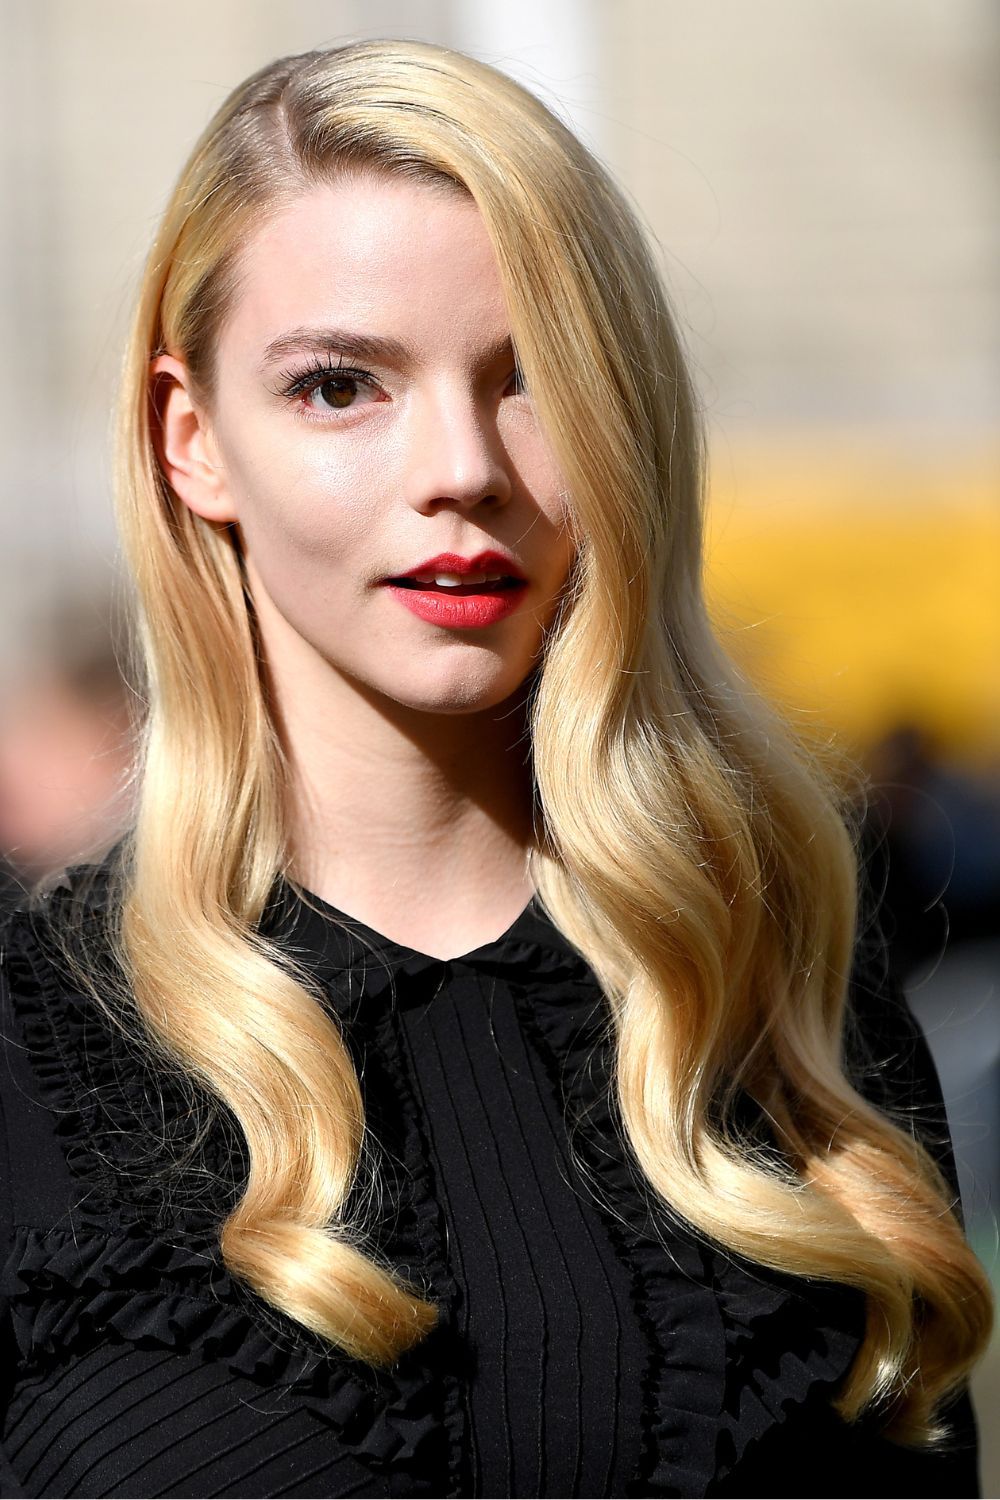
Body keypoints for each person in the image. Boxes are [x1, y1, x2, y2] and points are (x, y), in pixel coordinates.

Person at [0, 40, 992, 1500]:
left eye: (533, 379)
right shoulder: (31, 1053)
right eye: (343, 386)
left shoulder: (781, 1005)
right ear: (191, 440)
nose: (460, 465)